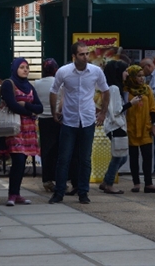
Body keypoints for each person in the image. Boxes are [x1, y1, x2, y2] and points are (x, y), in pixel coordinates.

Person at [48, 42, 110, 205]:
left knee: (85, 158)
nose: (85, 57)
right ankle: (59, 192)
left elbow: (106, 90)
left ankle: (83, 192)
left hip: (87, 119)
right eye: (81, 54)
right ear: (74, 56)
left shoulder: (96, 71)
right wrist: (54, 112)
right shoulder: (64, 71)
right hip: (69, 119)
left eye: (87, 53)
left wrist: (103, 112)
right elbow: (54, 90)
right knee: (64, 158)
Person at [0, 58, 43, 206]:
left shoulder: (29, 86)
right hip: (15, 127)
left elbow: (40, 107)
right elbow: (12, 105)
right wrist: (30, 111)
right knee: (17, 159)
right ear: (15, 68)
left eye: (27, 67)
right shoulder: (8, 84)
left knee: (23, 161)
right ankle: (12, 194)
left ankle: (17, 194)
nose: (25, 70)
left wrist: (26, 105)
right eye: (22, 67)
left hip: (28, 128)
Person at [100, 60, 139, 194]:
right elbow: (116, 110)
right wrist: (131, 103)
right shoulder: (114, 88)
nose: (127, 74)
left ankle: (106, 181)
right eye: (125, 71)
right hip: (116, 126)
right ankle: (109, 183)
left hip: (115, 126)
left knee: (120, 156)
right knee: (119, 156)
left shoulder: (112, 87)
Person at [124, 65, 155, 193]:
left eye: (143, 76)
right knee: (134, 157)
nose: (141, 79)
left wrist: (154, 125)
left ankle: (148, 183)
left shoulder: (147, 89)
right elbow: (121, 108)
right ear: (132, 77)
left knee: (147, 156)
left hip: (145, 127)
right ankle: (136, 183)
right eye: (138, 76)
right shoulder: (126, 90)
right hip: (131, 127)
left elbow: (153, 108)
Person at [34, 58, 61, 192]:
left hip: (43, 120)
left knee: (46, 150)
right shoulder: (59, 83)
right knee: (58, 150)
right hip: (57, 118)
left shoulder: (36, 83)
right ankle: (57, 178)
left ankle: (46, 179)